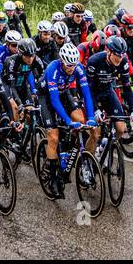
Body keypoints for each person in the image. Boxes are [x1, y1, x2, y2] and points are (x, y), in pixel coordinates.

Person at [40, 41, 95, 197]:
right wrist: (68, 121)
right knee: (53, 137)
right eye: (68, 66)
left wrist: (90, 117)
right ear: (62, 61)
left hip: (64, 94)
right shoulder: (52, 69)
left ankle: (68, 148)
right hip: (47, 98)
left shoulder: (78, 68)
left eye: (73, 65)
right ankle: (52, 178)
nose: (71, 69)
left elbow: (86, 94)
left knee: (82, 121)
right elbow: (54, 101)